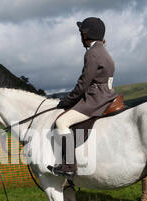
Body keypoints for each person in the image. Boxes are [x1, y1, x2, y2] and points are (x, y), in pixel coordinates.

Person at [47, 17, 118, 177]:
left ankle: (69, 166)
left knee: (61, 122)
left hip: (95, 98)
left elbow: (83, 83)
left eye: (81, 33)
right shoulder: (104, 51)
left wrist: (67, 101)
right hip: (107, 94)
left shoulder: (92, 53)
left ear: (86, 34)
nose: (80, 36)